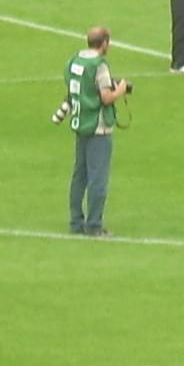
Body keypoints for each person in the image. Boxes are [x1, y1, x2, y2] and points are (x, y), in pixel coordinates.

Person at [63, 25, 131, 236]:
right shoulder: (99, 65)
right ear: (104, 43)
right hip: (98, 126)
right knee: (97, 178)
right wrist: (119, 89)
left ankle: (76, 222)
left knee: (79, 175)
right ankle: (94, 225)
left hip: (80, 121)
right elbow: (105, 97)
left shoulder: (75, 61)